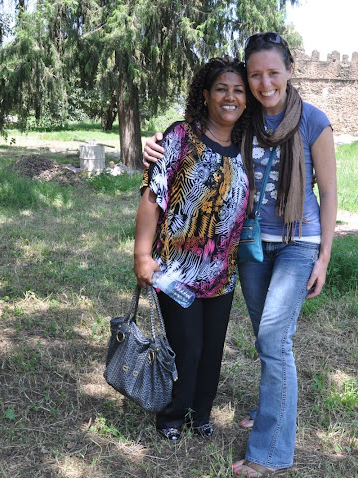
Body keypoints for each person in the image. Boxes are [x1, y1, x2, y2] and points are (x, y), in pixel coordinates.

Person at [143, 33, 337, 476]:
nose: (265, 83)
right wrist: (157, 145)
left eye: (273, 73)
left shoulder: (313, 121)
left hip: (298, 242)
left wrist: (324, 256)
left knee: (273, 340)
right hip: (249, 244)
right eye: (256, 75)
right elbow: (201, 136)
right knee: (266, 338)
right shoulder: (247, 120)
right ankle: (270, 405)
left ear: (290, 71)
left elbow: (328, 192)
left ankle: (270, 454)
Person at [134, 56, 251, 443]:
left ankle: (200, 413)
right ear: (205, 95)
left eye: (238, 90)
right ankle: (171, 416)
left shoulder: (247, 148)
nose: (230, 97)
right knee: (188, 347)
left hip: (222, 273)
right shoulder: (180, 137)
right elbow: (153, 195)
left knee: (212, 349)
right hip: (176, 270)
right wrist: (142, 255)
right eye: (221, 89)